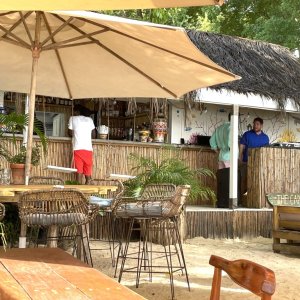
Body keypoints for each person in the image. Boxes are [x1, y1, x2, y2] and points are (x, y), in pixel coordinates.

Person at [239, 117, 269, 197]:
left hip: (259, 164)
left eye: (257, 124)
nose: (255, 126)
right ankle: (243, 198)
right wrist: (240, 157)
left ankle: (255, 197)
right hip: (246, 161)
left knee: (256, 181)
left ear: (261, 125)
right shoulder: (247, 134)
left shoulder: (265, 137)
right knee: (244, 180)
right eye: (254, 124)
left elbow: (266, 151)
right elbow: (241, 146)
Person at [68, 104, 96, 184]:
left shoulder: (72, 118)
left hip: (78, 148)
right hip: (88, 149)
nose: (73, 112)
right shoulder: (90, 120)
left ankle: (79, 191)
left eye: (74, 111)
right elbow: (94, 135)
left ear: (77, 111)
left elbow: (69, 133)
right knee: (87, 174)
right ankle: (86, 193)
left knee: (79, 172)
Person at [209, 115, 231, 208]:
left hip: (221, 156)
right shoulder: (231, 128)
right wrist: (230, 149)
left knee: (221, 180)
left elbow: (211, 141)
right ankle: (227, 203)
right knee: (228, 181)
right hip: (229, 156)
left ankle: (220, 202)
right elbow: (230, 142)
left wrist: (216, 150)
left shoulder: (219, 128)